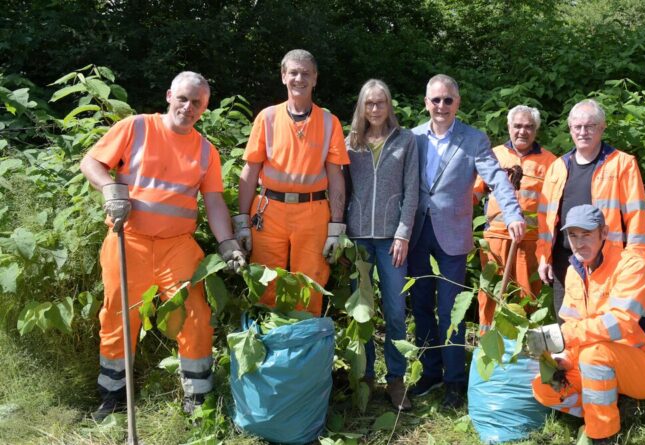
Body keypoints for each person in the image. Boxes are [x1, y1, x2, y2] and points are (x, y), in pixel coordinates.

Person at [80, 71, 247, 421]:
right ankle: (112, 396)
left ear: (205, 108)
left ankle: (198, 398)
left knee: (196, 314)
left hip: (177, 246)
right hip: (129, 240)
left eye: (197, 103)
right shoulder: (136, 127)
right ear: (170, 95)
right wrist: (110, 189)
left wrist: (227, 242)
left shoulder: (205, 150)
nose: (188, 107)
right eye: (183, 99)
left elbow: (214, 202)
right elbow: (92, 162)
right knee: (118, 314)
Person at [407, 74, 525, 409]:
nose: (441, 106)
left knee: (452, 311)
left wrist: (513, 213)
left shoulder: (473, 139)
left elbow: (496, 179)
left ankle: (455, 381)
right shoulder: (411, 137)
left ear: (457, 103)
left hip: (453, 237)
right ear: (426, 103)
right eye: (435, 100)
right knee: (421, 306)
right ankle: (430, 373)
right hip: (417, 233)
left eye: (447, 100)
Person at [528, 205, 645, 444]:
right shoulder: (575, 272)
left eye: (586, 234)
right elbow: (575, 323)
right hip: (597, 360)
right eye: (573, 235)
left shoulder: (632, 267)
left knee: (594, 356)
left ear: (604, 233)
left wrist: (562, 335)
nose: (579, 242)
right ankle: (609, 411)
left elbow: (620, 324)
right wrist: (564, 358)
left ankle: (602, 436)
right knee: (544, 387)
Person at [236, 49, 349, 316]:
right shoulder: (267, 117)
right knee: (265, 280)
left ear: (315, 79)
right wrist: (241, 220)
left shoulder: (329, 122)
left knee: (310, 282)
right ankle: (265, 344)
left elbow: (336, 177)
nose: (300, 78)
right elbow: (250, 170)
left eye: (306, 73)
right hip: (268, 211)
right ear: (283, 77)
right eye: (294, 73)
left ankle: (304, 347)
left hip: (313, 212)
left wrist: (336, 227)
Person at [536, 99, 645, 325]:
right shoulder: (558, 167)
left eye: (590, 126)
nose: (583, 132)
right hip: (564, 262)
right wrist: (543, 256)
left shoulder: (622, 163)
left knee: (605, 326)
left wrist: (636, 260)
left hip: (607, 261)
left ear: (602, 127)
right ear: (570, 129)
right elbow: (545, 219)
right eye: (577, 127)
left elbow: (636, 215)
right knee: (567, 327)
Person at [345, 79, 418, 410]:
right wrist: (342, 234)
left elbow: (412, 190)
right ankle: (364, 377)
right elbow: (341, 189)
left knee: (395, 311)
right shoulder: (351, 143)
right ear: (362, 107)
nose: (375, 109)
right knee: (361, 312)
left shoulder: (406, 141)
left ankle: (396, 380)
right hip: (358, 238)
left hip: (392, 241)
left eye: (381, 103)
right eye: (369, 104)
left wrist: (403, 233)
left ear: (390, 105)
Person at [473, 105, 556, 332]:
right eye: (517, 126)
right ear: (509, 127)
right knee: (491, 291)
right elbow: (474, 193)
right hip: (496, 238)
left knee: (527, 294)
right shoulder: (494, 155)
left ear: (536, 130)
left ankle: (525, 347)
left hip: (530, 241)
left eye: (529, 127)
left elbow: (555, 206)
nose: (523, 131)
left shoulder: (550, 161)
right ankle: (487, 343)